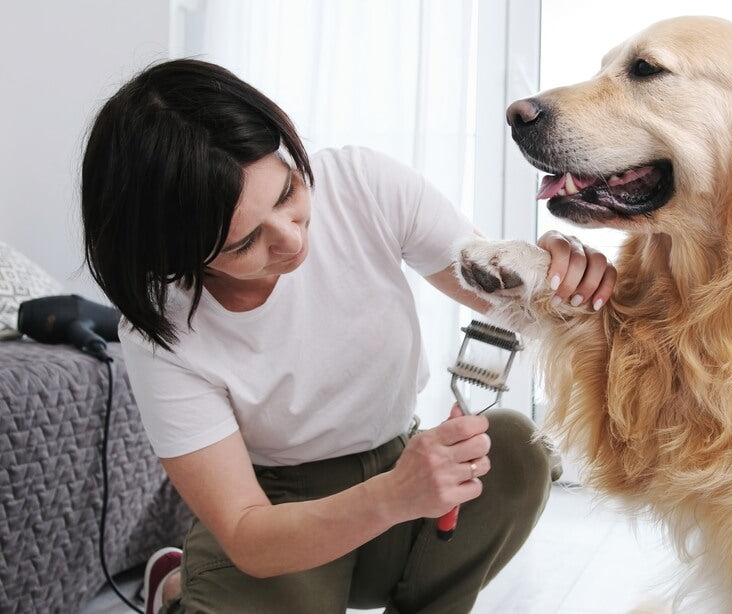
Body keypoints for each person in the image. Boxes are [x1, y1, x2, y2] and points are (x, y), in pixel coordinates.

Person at [80, 58, 617, 614]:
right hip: (278, 514)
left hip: (396, 461)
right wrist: (394, 496)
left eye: (288, 192)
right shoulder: (162, 333)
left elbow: (506, 294)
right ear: (176, 254)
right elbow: (248, 534)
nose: (291, 241)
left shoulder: (362, 184)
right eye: (245, 244)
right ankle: (176, 590)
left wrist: (557, 271)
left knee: (514, 451)